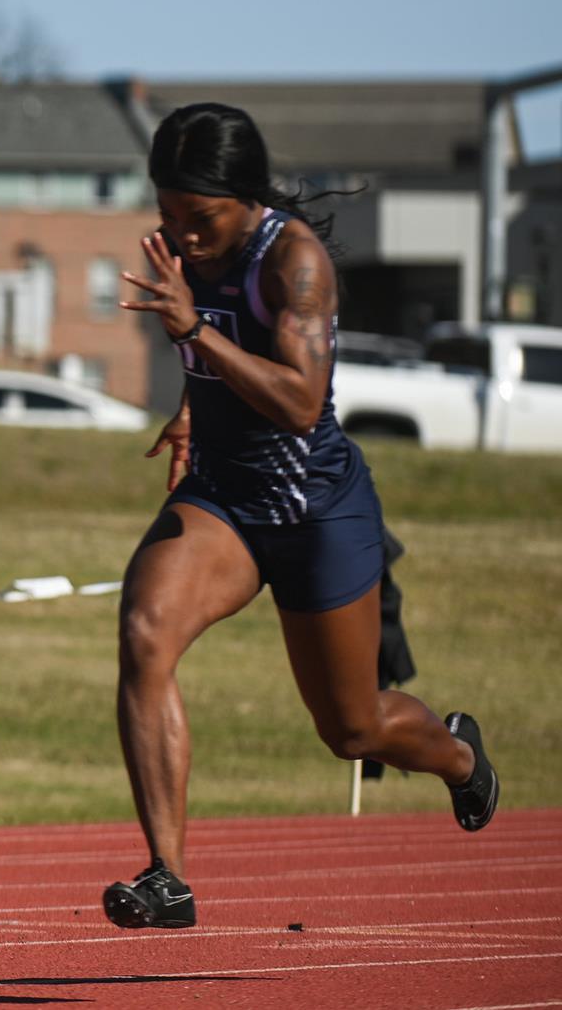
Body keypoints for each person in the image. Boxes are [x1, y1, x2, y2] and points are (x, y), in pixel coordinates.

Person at [106, 102, 499, 930]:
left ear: (245, 197)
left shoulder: (296, 262)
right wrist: (189, 408)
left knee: (353, 729)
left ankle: (459, 754)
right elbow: (210, 337)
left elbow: (299, 398)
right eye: (167, 214)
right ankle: (166, 876)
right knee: (145, 631)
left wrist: (194, 337)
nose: (181, 234)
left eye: (199, 216)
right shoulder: (190, 249)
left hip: (315, 507)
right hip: (225, 499)